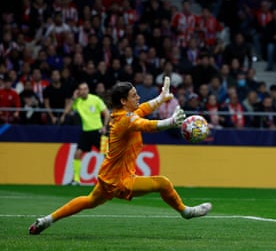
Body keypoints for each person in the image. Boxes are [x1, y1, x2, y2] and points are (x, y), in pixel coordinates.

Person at [29, 77, 212, 235]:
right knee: (163, 183)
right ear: (124, 101)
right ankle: (185, 211)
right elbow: (146, 125)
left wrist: (161, 98)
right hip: (121, 180)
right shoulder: (125, 120)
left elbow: (143, 109)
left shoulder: (123, 114)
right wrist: (170, 122)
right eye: (134, 95)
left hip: (108, 174)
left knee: (90, 201)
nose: (138, 97)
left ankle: (46, 220)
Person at [63, 82, 110, 185]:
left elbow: (107, 113)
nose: (83, 91)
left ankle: (109, 179)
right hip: (86, 132)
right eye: (81, 89)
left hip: (99, 132)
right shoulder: (77, 101)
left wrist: (104, 126)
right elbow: (66, 111)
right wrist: (73, 98)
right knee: (77, 154)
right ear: (78, 91)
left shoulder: (95, 99)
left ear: (88, 90)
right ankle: (76, 180)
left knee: (107, 155)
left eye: (85, 89)